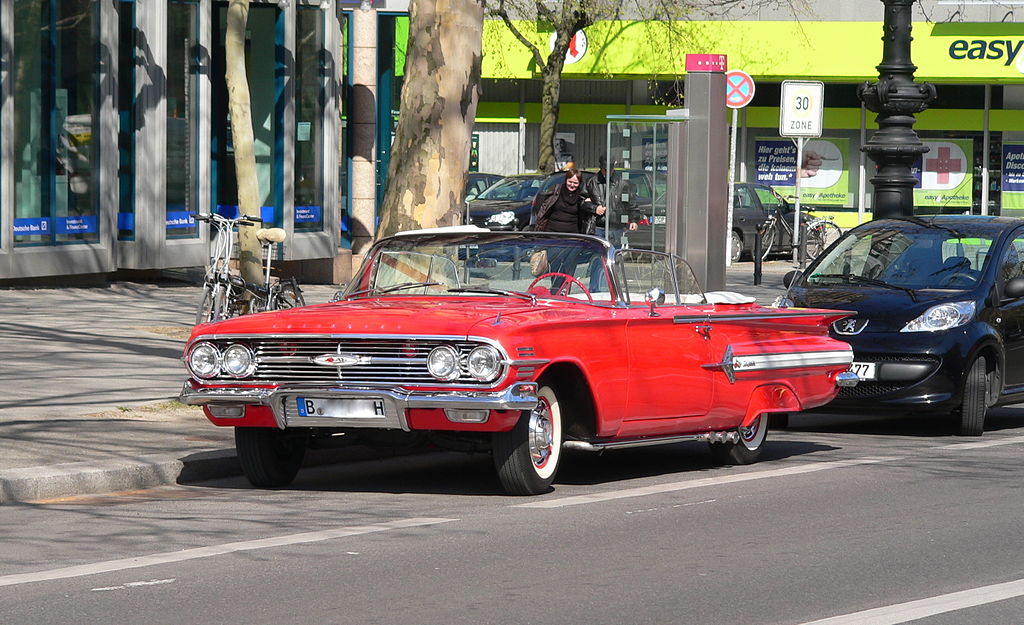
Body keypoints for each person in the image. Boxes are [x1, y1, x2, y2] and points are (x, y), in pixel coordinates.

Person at [534, 168, 605, 292]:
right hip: (554, 236)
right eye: (570, 182)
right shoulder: (556, 190)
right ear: (566, 180)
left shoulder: (582, 196)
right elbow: (542, 208)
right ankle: (556, 290)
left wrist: (589, 204)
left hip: (573, 237)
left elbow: (588, 209)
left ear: (579, 184)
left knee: (569, 265)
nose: (572, 185)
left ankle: (566, 289)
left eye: (575, 183)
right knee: (555, 264)